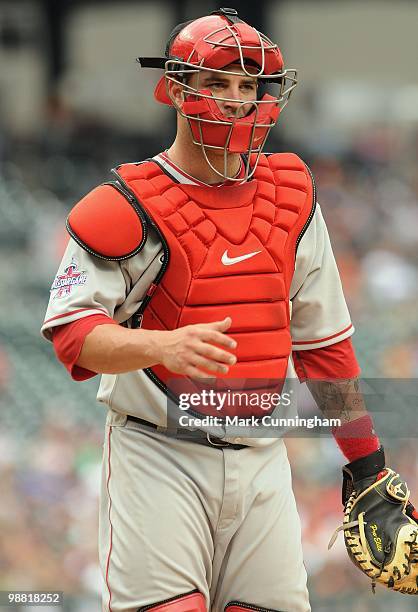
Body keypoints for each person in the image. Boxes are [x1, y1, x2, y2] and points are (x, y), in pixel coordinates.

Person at [41, 7, 418, 612]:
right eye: (217, 81)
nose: (236, 99)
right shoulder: (125, 203)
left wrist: (367, 465)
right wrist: (162, 346)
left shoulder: (292, 196)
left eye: (250, 85)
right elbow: (71, 334)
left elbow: (325, 347)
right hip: (158, 451)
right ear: (174, 87)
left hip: (264, 453)